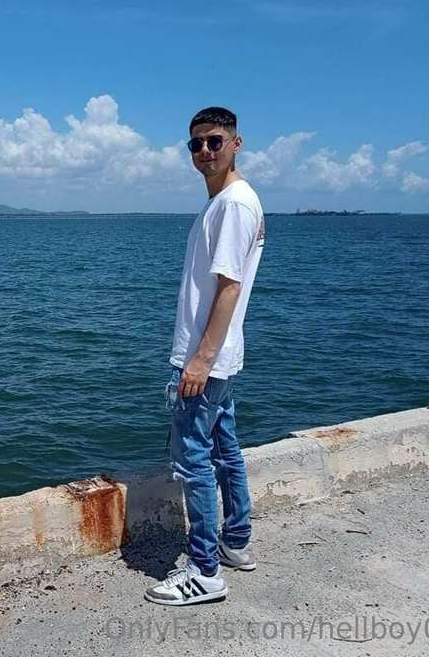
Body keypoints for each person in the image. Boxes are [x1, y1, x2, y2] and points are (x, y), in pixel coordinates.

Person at [145, 106, 265, 606]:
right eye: (196, 143)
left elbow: (229, 287)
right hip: (219, 356)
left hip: (205, 358)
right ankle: (235, 540)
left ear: (236, 143)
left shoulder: (233, 204)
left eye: (215, 141)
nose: (205, 151)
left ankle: (204, 571)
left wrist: (199, 359)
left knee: (193, 460)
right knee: (224, 450)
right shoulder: (224, 203)